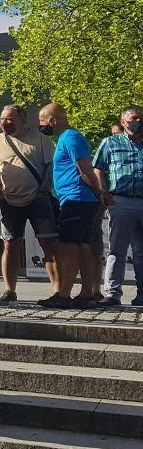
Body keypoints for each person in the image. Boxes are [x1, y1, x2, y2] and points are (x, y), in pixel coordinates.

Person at [0, 105, 59, 302]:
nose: (4, 122)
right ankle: (10, 290)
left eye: (9, 119)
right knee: (10, 245)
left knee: (49, 244)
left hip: (38, 200)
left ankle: (58, 291)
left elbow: (51, 166)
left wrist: (43, 190)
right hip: (9, 201)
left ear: (23, 121)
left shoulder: (41, 140)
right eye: (2, 118)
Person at [37, 103, 105, 309]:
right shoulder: (67, 138)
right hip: (76, 199)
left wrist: (99, 192)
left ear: (53, 120)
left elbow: (84, 168)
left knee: (67, 247)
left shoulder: (70, 137)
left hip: (76, 199)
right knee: (84, 247)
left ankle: (64, 294)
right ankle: (86, 293)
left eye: (42, 122)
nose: (42, 126)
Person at [94, 106, 143, 306]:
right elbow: (98, 168)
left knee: (141, 251)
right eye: (134, 118)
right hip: (121, 200)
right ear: (124, 122)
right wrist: (103, 192)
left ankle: (142, 295)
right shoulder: (111, 142)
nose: (138, 122)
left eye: (141, 118)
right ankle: (113, 293)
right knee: (117, 250)